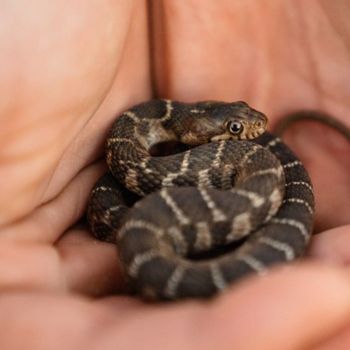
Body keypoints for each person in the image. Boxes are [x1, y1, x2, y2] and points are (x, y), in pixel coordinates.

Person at [0, 1, 349, 349]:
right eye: (236, 127)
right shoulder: (133, 144)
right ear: (195, 132)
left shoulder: (195, 135)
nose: (253, 128)